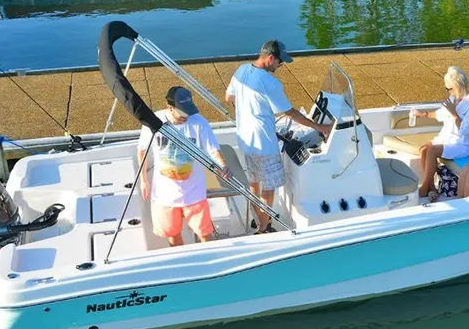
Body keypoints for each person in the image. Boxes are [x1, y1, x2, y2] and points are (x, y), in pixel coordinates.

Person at [225, 39, 332, 234]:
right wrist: (319, 127)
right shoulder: (269, 82)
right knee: (269, 188)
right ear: (270, 58)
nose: (280, 66)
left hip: (246, 140)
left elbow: (229, 98)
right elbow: (290, 112)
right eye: (279, 62)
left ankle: (256, 218)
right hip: (264, 143)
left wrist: (247, 109)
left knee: (254, 182)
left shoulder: (241, 71)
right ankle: (264, 228)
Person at [137, 86, 230, 247]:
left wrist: (223, 165)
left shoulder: (199, 122)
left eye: (189, 111)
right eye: (183, 113)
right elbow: (142, 149)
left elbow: (213, 149)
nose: (186, 117)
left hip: (194, 193)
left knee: (205, 234)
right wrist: (143, 179)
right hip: (164, 195)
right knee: (173, 236)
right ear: (170, 107)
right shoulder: (153, 122)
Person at [410, 66, 469, 201]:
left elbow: (464, 131)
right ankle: (432, 187)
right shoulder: (453, 99)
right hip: (447, 137)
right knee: (423, 149)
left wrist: (454, 113)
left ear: (458, 85)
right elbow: (439, 114)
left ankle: (424, 188)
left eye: (449, 88)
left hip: (462, 144)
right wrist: (422, 114)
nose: (448, 91)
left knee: (432, 151)